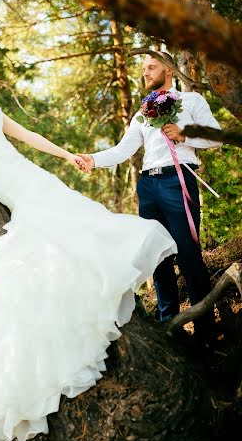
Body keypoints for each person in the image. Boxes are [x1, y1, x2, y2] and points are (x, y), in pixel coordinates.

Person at [0, 47, 177, 441]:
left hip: (18, 166)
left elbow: (28, 136)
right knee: (46, 216)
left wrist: (66, 155)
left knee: (59, 202)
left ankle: (95, 266)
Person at [78, 52, 222, 348]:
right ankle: (169, 328)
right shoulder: (143, 112)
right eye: (143, 69)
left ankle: (207, 332)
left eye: (151, 67)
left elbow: (216, 137)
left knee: (188, 254)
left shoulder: (191, 101)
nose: (145, 73)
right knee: (158, 257)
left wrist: (185, 136)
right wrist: (93, 159)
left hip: (177, 179)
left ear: (168, 70)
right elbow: (124, 149)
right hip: (149, 185)